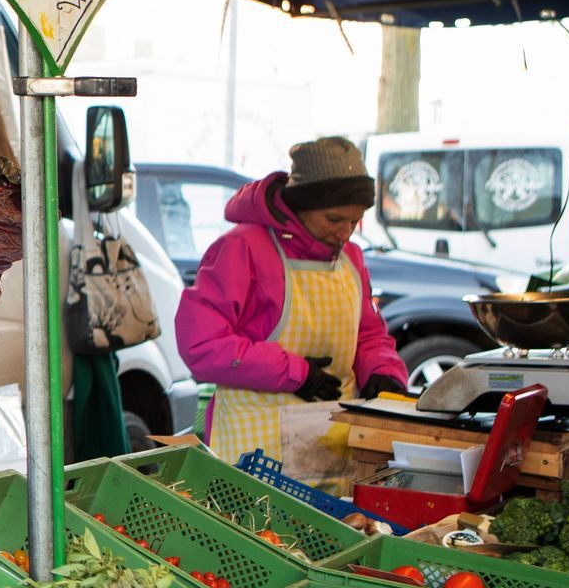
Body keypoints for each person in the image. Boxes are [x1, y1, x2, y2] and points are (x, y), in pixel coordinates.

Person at [174, 136, 407, 474]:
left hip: (333, 448)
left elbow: (368, 335)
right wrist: (295, 373)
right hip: (255, 452)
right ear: (302, 205)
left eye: (354, 221)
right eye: (334, 219)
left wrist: (383, 373)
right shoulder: (242, 249)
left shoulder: (351, 258)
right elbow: (202, 345)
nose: (345, 233)